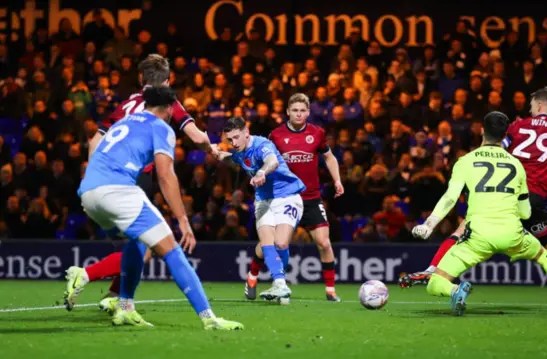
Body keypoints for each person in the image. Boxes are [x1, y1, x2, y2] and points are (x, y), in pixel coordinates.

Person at [400, 87, 547, 313]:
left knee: (463, 227)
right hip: (532, 199)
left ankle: (433, 270)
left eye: (530, 105)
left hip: (504, 194)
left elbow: (493, 147)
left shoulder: (517, 127)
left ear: (538, 104)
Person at [73, 86, 243, 330]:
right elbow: (165, 176)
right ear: (170, 108)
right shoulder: (161, 127)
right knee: (172, 250)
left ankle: (125, 307)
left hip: (88, 193)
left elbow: (96, 145)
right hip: (117, 191)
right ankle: (210, 319)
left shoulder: (127, 119)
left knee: (137, 241)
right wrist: (183, 220)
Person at [63, 54, 216, 313]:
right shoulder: (167, 102)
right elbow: (193, 135)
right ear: (168, 81)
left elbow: (94, 142)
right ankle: (88, 276)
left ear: (140, 78)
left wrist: (95, 174)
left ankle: (115, 297)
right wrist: (212, 147)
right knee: (146, 248)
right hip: (134, 179)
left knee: (135, 246)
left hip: (99, 182)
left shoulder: (126, 104)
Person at [244, 93, 344, 302]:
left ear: (308, 112)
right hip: (283, 197)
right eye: (295, 110)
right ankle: (253, 276)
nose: (299, 114)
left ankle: (331, 290)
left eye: (303, 111)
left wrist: (337, 180)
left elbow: (329, 157)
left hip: (311, 198)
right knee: (272, 244)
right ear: (288, 112)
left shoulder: (317, 133)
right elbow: (265, 160)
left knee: (324, 243)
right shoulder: (276, 136)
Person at [212, 117, 306, 304]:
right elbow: (232, 160)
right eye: (229, 139)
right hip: (263, 201)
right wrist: (214, 151)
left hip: (288, 195)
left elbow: (272, 161)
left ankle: (255, 273)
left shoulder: (263, 144)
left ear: (247, 133)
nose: (234, 143)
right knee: (266, 241)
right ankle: (279, 283)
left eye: (237, 137)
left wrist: (262, 172)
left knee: (280, 243)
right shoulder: (238, 151)